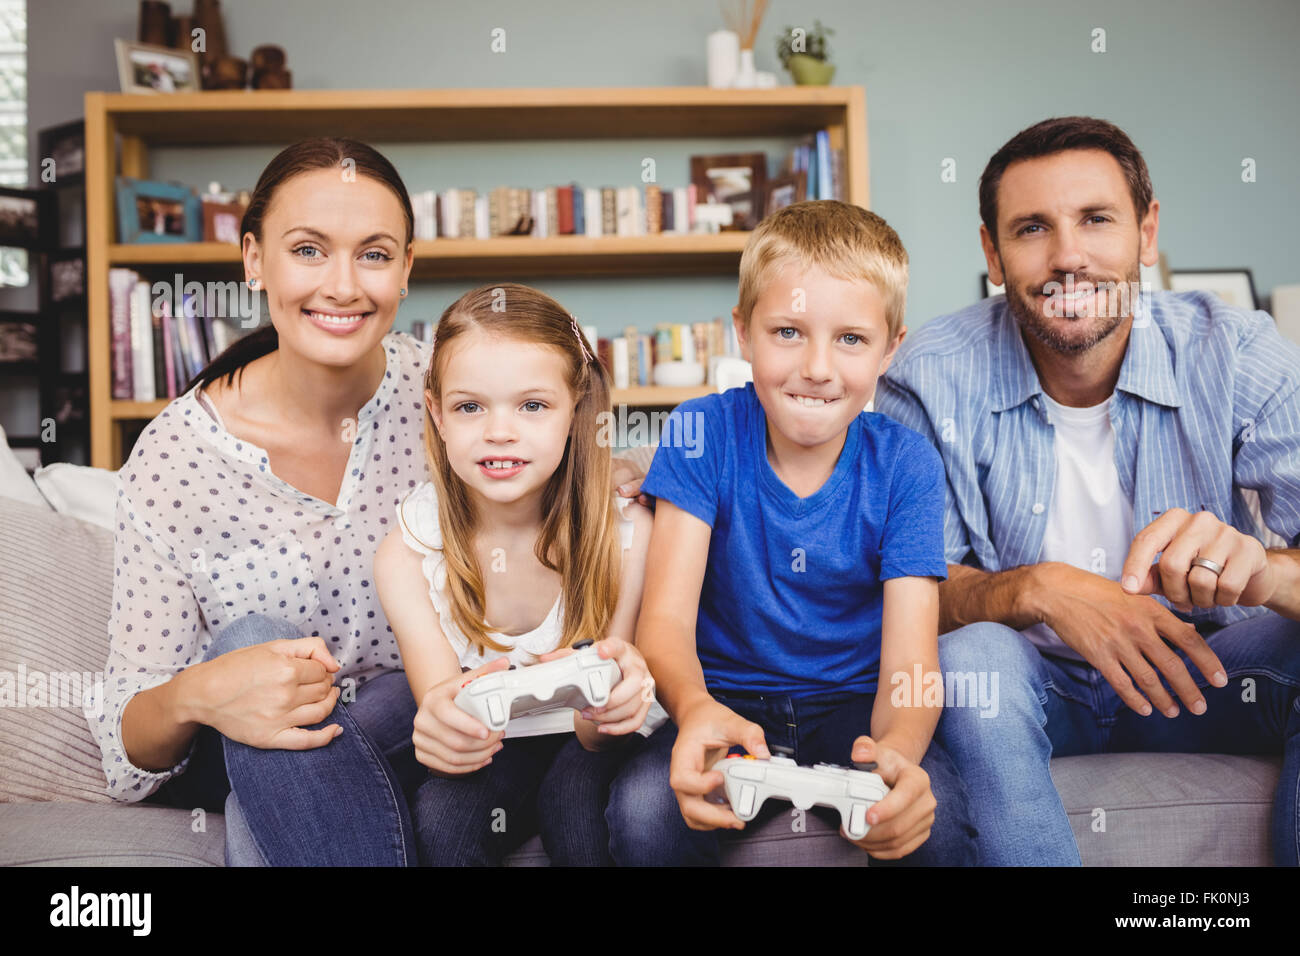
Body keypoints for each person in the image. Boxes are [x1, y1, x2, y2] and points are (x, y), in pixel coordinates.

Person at [84, 138, 640, 866]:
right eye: (308, 250)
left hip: (430, 722)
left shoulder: (451, 394)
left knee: (388, 710)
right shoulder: (174, 459)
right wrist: (198, 694)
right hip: (266, 741)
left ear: (406, 269)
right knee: (251, 639)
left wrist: (615, 467)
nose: (342, 285)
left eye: (374, 255)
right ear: (253, 259)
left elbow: (556, 440)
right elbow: (128, 751)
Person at [875, 116, 1300, 865]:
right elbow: (915, 590)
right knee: (974, 654)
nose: (1068, 257)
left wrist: (1265, 572)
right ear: (992, 252)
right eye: (1033, 228)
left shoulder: (1236, 351)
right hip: (1032, 692)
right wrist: (1041, 589)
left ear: (1147, 230)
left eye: (1096, 220)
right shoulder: (928, 374)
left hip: (1203, 674)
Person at [605, 200, 1034, 865]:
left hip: (854, 706)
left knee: (935, 827)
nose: (817, 366)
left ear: (892, 348)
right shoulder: (700, 433)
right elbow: (663, 622)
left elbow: (912, 667)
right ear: (743, 333)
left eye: (851, 339)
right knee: (639, 813)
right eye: (787, 332)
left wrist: (896, 754)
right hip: (726, 700)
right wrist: (694, 709)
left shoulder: (906, 464)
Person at [374, 282, 661, 866]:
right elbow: (446, 713)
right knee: (441, 820)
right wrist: (441, 735)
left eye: (532, 406)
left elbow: (600, 727)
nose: (498, 431)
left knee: (574, 810)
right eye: (469, 406)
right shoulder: (409, 552)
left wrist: (608, 707)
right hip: (495, 744)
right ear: (437, 413)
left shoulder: (624, 531)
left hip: (589, 740)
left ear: (575, 410)